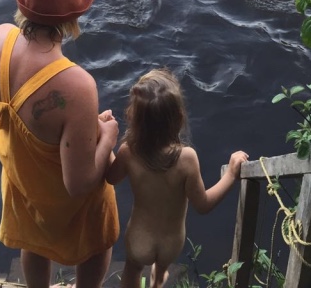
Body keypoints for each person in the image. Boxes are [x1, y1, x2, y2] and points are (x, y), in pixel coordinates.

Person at [0, 0, 119, 288]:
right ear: (74, 16)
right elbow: (78, 184)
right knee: (98, 241)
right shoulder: (77, 85)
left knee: (32, 241)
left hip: (21, 180)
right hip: (63, 202)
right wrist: (107, 134)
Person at [106, 68, 248, 288]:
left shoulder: (128, 152)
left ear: (133, 118)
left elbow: (111, 178)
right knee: (161, 269)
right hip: (170, 244)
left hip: (139, 239)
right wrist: (230, 174)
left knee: (132, 269)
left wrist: (106, 144)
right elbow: (203, 205)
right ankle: (157, 281)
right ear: (179, 118)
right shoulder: (187, 158)